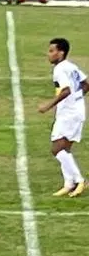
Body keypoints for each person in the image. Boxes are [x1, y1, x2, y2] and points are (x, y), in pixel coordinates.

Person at [39, 38, 88, 197]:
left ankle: (80, 180)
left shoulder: (60, 69)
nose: (49, 54)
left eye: (52, 51)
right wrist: (78, 99)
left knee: (57, 149)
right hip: (76, 111)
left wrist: (48, 105)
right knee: (65, 148)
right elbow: (86, 83)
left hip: (69, 114)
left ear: (61, 52)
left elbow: (66, 90)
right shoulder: (71, 66)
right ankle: (68, 184)